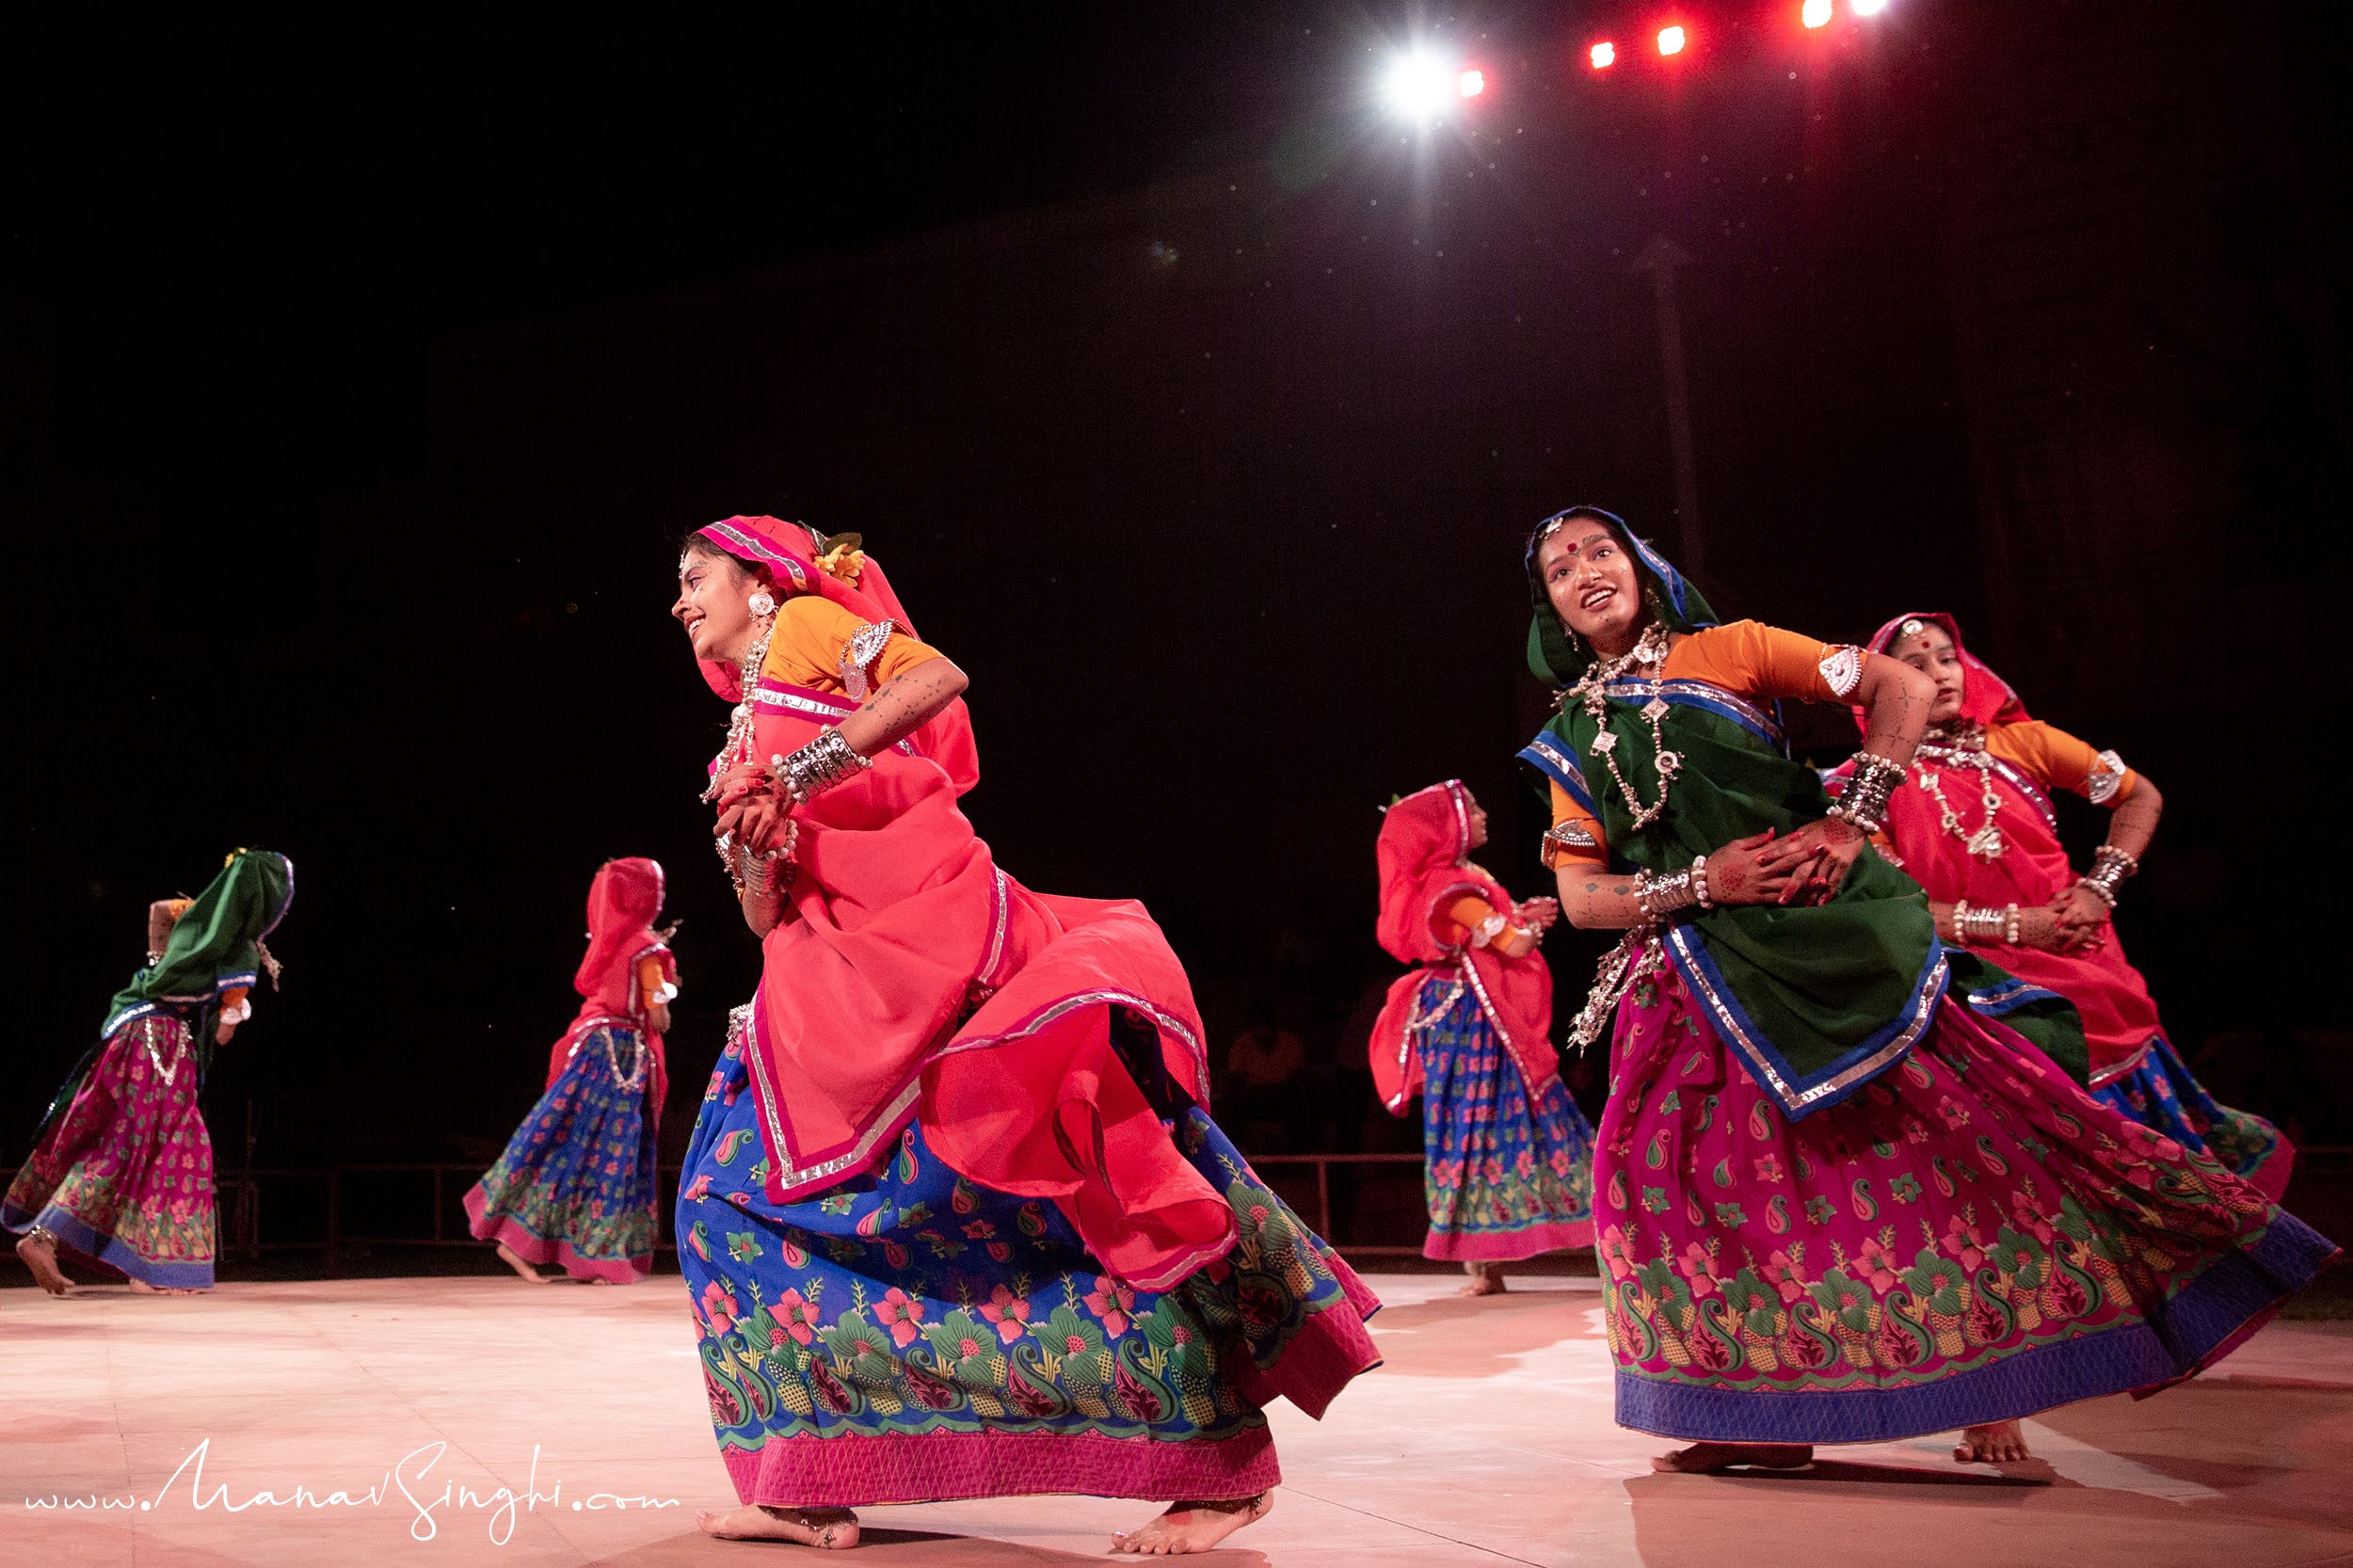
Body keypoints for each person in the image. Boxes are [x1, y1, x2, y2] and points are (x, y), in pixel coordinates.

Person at [1516, 505, 2333, 1472]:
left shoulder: (1732, 649)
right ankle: (1754, 1414)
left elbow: (1891, 684)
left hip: (1825, 944)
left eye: (1599, 549)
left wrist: (1852, 820)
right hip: (1686, 979)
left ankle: (2014, 1367)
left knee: (1944, 1145)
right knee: (1646, 1178)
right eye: (1560, 568)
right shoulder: (1569, 735)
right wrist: (1701, 883)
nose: (1583, 570)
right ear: (1553, 612)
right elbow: (1577, 896)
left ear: (1641, 569)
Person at [669, 516, 1379, 1555]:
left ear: (759, 582)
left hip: (937, 955)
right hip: (824, 998)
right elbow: (766, 916)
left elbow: (933, 679)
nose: (681, 602)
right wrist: (751, 842)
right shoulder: (736, 737)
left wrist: (803, 772)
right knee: (719, 1207)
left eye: (695, 578)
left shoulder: (812, 627)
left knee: (1066, 1208)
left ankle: (1218, 1467)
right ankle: (806, 1472)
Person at [1849, 613, 2289, 1199]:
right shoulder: (1865, 784)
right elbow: (1892, 907)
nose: (1940, 673)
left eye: (1947, 657)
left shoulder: (2024, 744)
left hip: (2082, 954)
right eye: (1915, 665)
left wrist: (2097, 888)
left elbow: (2139, 796)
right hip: (1981, 983)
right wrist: (2014, 928)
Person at [7, 849, 294, 1296]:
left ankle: (52, 1240)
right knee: (182, 1151)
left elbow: (161, 915)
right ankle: (157, 1269)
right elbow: (219, 1035)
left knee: (124, 1146)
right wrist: (231, 1000)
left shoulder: (200, 938)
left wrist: (205, 925)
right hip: (157, 1045)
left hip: (140, 1041)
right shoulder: (222, 946)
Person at [1369, 780, 1595, 1295]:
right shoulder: (1453, 888)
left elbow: (1496, 933)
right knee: (1491, 1121)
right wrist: (1530, 929)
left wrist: (1521, 918)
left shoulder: (1461, 878)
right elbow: (1512, 946)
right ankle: (1590, 1236)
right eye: (1472, 807)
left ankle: (1485, 1266)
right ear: (1447, 825)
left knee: (1473, 1125)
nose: (1484, 812)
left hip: (1466, 1013)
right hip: (1473, 1020)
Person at [466, 856, 678, 1284]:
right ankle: (594, 1254)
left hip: (589, 1049)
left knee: (565, 1144)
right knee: (610, 1156)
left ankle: (520, 1241)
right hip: (620, 1056)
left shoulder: (610, 941)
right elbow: (659, 1020)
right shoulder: (650, 952)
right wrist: (669, 987)